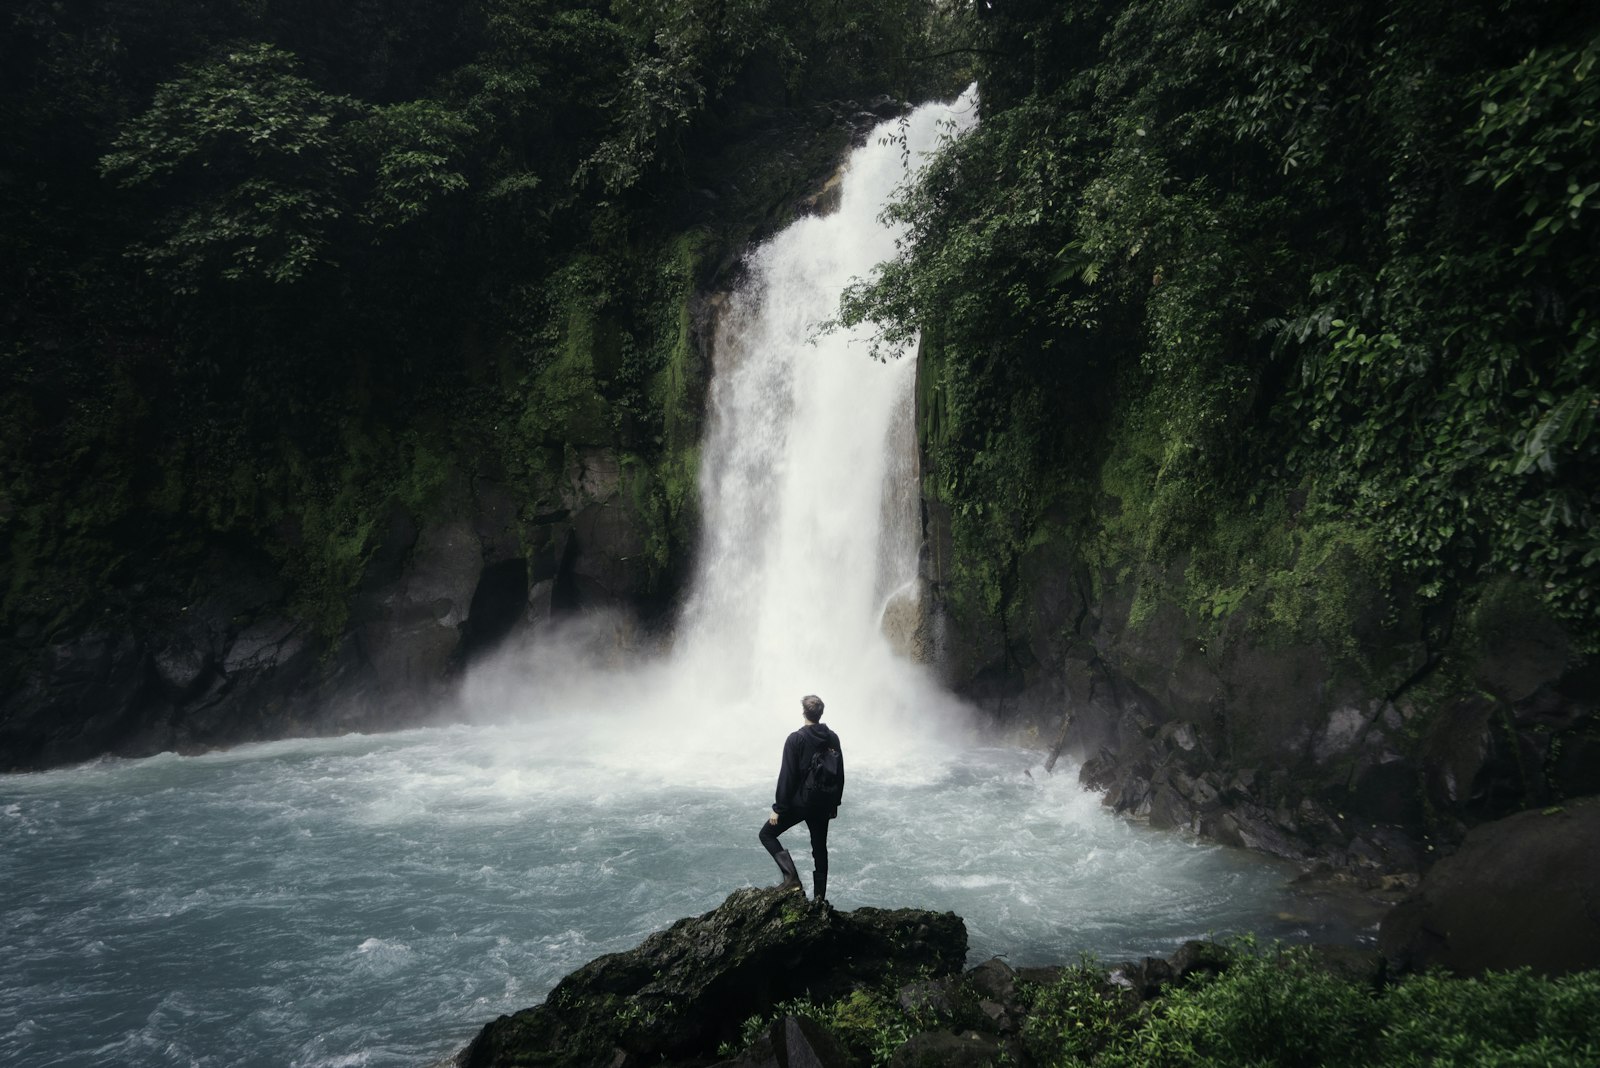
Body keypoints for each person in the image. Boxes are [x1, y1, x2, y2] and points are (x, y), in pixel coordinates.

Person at [759, 694, 843, 901]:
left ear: (804, 712)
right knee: (819, 848)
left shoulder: (795, 739)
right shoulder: (832, 737)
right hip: (823, 803)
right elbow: (839, 773)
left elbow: (787, 776)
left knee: (767, 835)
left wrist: (778, 808)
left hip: (801, 803)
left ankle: (792, 879)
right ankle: (820, 899)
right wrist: (835, 803)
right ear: (820, 713)